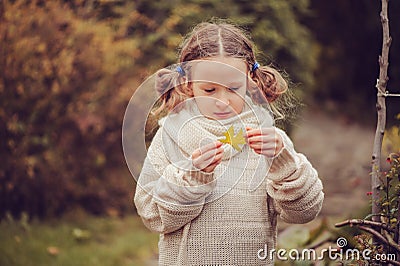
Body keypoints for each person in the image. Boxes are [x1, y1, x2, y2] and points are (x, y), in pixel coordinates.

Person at [134, 21, 324, 265]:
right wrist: (193, 177)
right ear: (189, 85)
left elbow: (305, 212)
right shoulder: (170, 136)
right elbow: (152, 217)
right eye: (210, 89)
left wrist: (284, 165)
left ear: (250, 81)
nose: (222, 101)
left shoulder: (270, 141)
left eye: (233, 88)